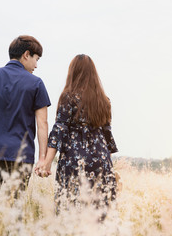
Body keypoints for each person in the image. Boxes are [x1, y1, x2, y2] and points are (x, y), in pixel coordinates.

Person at [0, 35, 51, 231]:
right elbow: (43, 123)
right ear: (26, 55)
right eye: (36, 59)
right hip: (21, 158)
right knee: (16, 214)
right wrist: (42, 157)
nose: (36, 66)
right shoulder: (36, 84)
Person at [35, 54, 118, 216]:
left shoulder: (68, 97)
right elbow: (107, 135)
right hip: (101, 162)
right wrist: (109, 164)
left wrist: (47, 162)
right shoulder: (104, 100)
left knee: (71, 210)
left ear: (72, 72)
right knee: (100, 211)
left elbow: (59, 129)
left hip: (74, 161)